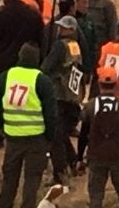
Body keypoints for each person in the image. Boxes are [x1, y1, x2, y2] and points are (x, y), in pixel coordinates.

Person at [0, 43, 56, 208]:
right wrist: (50, 137)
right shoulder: (42, 80)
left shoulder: (7, 76)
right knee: (31, 182)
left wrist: (1, 125)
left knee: (9, 180)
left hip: (12, 136)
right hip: (36, 138)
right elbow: (51, 113)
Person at [0, 0, 45, 148]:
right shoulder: (33, 14)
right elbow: (42, 40)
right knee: (26, 98)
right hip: (28, 64)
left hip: (2, 64)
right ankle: (22, 132)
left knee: (0, 98)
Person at [76, 66, 119, 208]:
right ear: (116, 84)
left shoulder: (90, 106)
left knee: (96, 195)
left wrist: (79, 157)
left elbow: (83, 134)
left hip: (96, 155)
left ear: (99, 83)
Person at [40, 15, 85, 185]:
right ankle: (73, 162)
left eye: (64, 27)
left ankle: (59, 173)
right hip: (71, 94)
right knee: (62, 132)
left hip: (59, 92)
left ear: (71, 30)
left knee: (54, 135)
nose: (60, 29)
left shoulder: (60, 45)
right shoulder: (75, 46)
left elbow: (47, 66)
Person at [87, 0, 118, 94]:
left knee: (97, 76)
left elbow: (112, 27)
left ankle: (94, 99)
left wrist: (110, 47)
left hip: (100, 48)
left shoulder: (107, 5)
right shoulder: (84, 1)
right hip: (85, 46)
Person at [71, 0, 98, 98]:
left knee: (81, 95)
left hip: (85, 66)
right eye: (84, 2)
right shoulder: (68, 22)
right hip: (72, 66)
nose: (87, 5)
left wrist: (90, 67)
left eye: (88, 2)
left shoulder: (90, 21)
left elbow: (93, 44)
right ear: (75, 3)